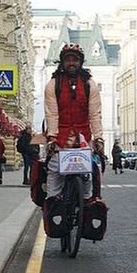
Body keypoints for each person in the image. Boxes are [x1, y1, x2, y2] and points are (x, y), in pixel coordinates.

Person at [43, 43, 104, 200]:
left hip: (83, 137)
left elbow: (95, 114)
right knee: (54, 173)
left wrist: (98, 137)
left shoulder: (90, 85)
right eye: (68, 59)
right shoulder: (53, 85)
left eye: (75, 60)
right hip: (60, 138)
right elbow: (52, 114)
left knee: (88, 175)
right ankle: (52, 207)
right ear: (62, 62)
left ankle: (88, 206)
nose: (72, 63)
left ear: (81, 62)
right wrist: (51, 137)